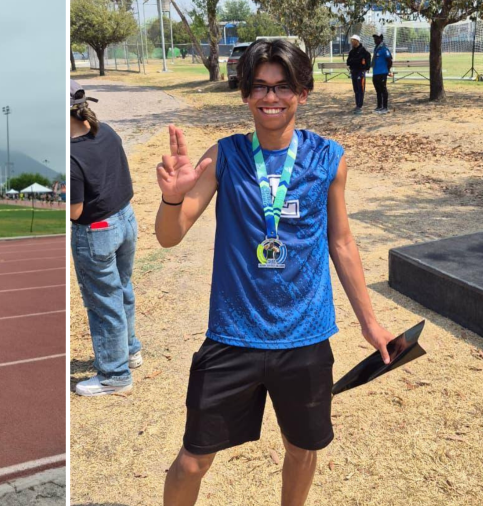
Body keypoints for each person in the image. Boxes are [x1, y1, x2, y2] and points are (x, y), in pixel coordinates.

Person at [154, 39, 395, 506]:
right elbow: (170, 235)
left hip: (304, 337)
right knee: (192, 460)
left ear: (302, 92)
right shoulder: (224, 156)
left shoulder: (329, 158)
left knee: (302, 449)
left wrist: (370, 322)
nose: (270, 98)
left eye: (283, 86)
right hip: (233, 335)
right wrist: (172, 197)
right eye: (260, 87)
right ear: (245, 94)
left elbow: (341, 242)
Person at [69, 80, 142, 396]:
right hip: (125, 220)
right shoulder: (107, 131)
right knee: (122, 289)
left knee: (103, 302)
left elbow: (74, 212)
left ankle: (115, 375)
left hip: (96, 232)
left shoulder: (70, 156)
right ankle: (130, 350)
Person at [346, 35, 371, 114]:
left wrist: (361, 64)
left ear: (357, 41)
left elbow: (367, 61)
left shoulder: (363, 51)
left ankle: (360, 106)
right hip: (354, 72)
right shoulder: (352, 51)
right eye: (351, 40)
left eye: (353, 40)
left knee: (361, 89)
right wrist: (356, 61)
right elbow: (348, 62)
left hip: (361, 72)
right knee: (356, 89)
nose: (351, 42)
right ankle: (357, 105)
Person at [372, 33, 393, 114]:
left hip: (382, 72)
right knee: (378, 90)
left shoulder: (384, 49)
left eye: (376, 38)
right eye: (374, 39)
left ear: (380, 39)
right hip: (376, 72)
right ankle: (379, 106)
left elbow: (390, 61)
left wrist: (387, 70)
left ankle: (385, 107)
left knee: (383, 89)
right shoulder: (376, 49)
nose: (375, 40)